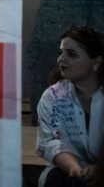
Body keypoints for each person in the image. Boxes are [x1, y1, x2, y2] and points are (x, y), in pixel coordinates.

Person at [36, 26, 103, 187]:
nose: (61, 59)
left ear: (96, 62)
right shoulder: (52, 96)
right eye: (61, 52)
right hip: (67, 173)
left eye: (71, 54)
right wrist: (74, 168)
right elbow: (51, 141)